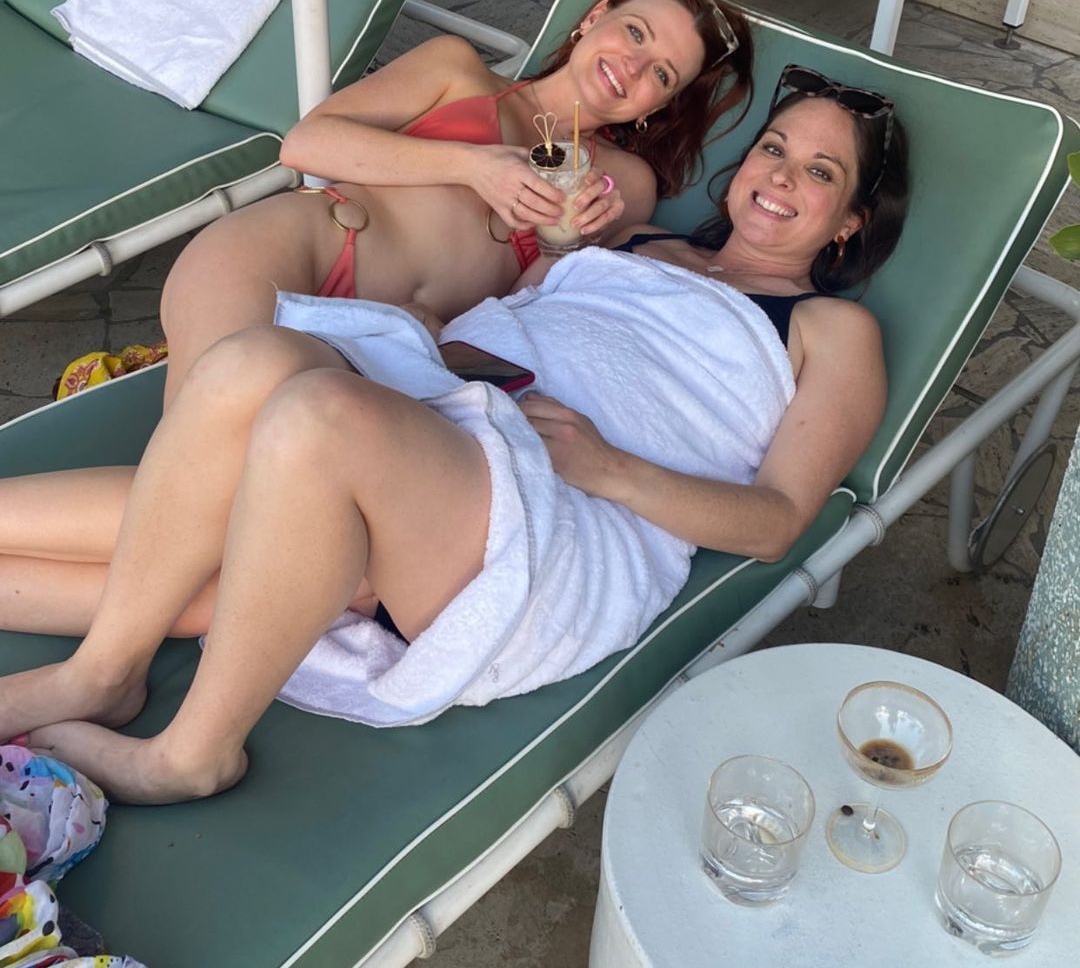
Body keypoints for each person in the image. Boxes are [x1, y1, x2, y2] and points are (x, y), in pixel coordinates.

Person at [0, 65, 909, 802]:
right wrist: (453, 323)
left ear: (851, 223)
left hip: (558, 516)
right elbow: (515, 303)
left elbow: (778, 519)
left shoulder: (832, 330)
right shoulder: (631, 240)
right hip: (451, 420)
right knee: (249, 361)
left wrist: (611, 469)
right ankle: (104, 672)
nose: (781, 176)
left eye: (820, 172)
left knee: (315, 415)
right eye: (775, 149)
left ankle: (192, 753)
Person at [157, 0, 752, 398]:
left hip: (403, 346)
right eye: (636, 32)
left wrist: (559, 248)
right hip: (292, 251)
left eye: (662, 74)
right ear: (595, 18)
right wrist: (472, 165)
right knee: (201, 453)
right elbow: (307, 143)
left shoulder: (623, 183)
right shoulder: (457, 68)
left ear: (659, 105)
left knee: (234, 494)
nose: (634, 65)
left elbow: (538, 311)